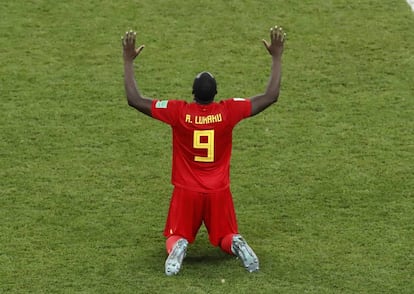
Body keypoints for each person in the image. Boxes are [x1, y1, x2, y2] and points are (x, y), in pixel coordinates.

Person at [122, 25, 286, 276]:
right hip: (218, 191)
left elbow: (135, 100)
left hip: (187, 191)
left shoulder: (179, 112)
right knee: (225, 235)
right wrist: (276, 57)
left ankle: (178, 247)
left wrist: (127, 61)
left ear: (193, 93)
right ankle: (237, 243)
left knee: (176, 234)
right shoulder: (228, 111)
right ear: (216, 94)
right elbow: (270, 96)